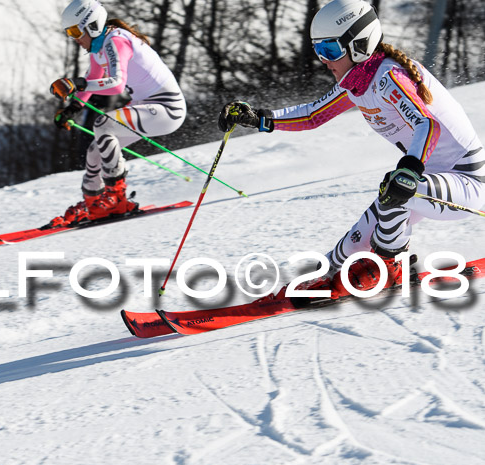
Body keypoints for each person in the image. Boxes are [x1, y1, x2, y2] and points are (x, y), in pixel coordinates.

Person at [217, 0, 485, 297]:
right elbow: (312, 115)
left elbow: (428, 124)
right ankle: (328, 277)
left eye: (330, 50)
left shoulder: (389, 77)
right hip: (425, 182)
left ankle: (390, 264)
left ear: (359, 45)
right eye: (318, 50)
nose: (323, 59)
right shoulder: (357, 81)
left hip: (466, 182)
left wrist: (409, 169)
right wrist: (258, 118)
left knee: (391, 194)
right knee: (348, 250)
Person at [48, 0, 186, 227]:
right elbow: (92, 80)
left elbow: (116, 84)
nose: (74, 38)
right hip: (148, 108)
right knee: (95, 150)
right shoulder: (98, 48)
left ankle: (117, 198)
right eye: (69, 33)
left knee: (103, 124)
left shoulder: (116, 41)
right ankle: (94, 203)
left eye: (75, 31)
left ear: (91, 25)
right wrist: (72, 109)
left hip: (167, 109)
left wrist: (77, 84)